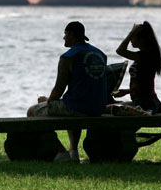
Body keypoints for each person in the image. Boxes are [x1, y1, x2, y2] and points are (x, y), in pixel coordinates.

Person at [27, 21, 108, 162]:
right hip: (98, 107)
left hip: (78, 107)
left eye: (65, 34)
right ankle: (74, 152)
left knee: (32, 112)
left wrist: (47, 101)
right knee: (69, 104)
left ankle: (61, 152)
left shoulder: (68, 57)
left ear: (71, 34)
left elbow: (58, 90)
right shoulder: (100, 54)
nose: (63, 37)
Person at [111, 21, 161, 114]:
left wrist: (131, 33)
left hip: (146, 103)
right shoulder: (145, 56)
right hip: (142, 101)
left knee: (110, 109)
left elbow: (120, 50)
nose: (130, 40)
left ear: (142, 39)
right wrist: (127, 91)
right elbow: (144, 84)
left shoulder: (145, 56)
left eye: (133, 37)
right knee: (111, 107)